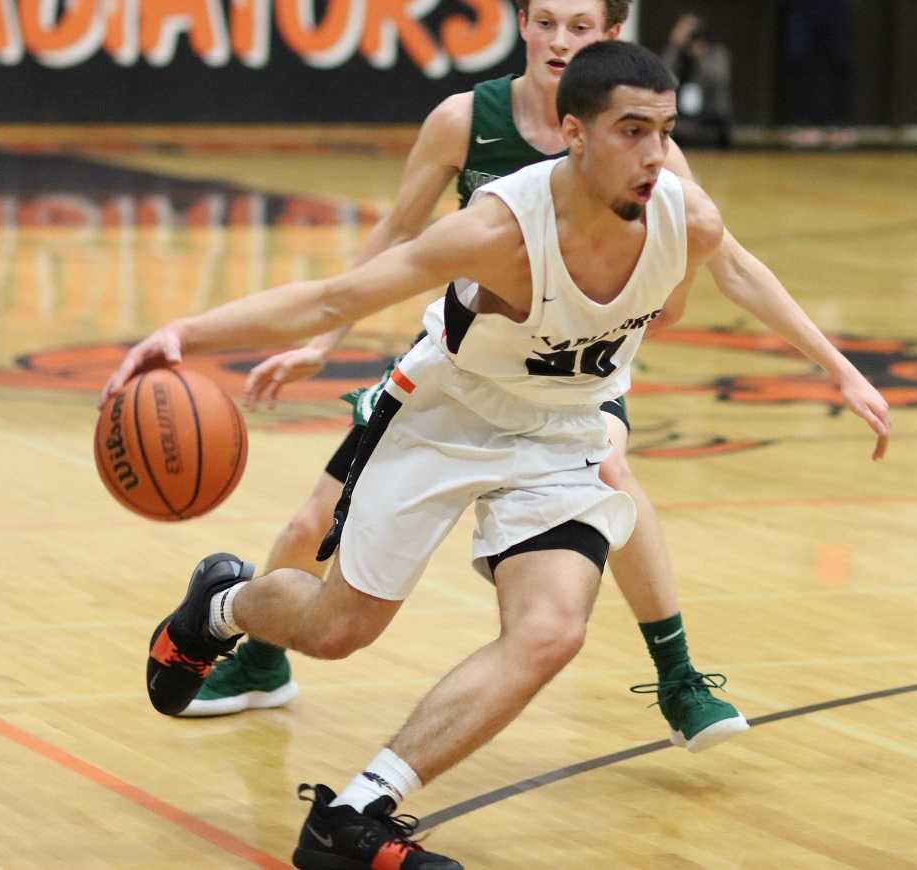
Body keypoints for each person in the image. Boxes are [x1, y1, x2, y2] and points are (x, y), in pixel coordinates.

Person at [103, 41, 890, 868]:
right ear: (572, 132)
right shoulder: (498, 232)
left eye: (663, 130)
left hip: (560, 435)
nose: (655, 154)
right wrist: (183, 334)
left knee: (551, 630)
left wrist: (837, 370)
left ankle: (357, 814)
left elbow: (742, 272)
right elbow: (334, 297)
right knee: (337, 631)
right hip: (443, 419)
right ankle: (221, 608)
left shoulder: (682, 213)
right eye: (631, 131)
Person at [178, 0, 745, 756]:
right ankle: (259, 653)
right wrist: (326, 338)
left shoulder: (639, 138)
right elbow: (396, 234)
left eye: (578, 27)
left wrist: (831, 365)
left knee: (609, 468)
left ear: (611, 37)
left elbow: (719, 253)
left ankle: (676, 675)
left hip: (576, 366)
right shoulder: (466, 119)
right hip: (468, 358)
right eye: (543, 22)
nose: (558, 41)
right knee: (311, 524)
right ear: (520, 23)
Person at [780, 0, 858, 148]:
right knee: (799, 58)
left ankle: (839, 124)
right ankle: (804, 123)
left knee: (839, 59)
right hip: (802, 6)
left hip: (837, 5)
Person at [661, 12, 733, 148]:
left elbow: (718, 79)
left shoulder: (716, 51)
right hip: (681, 114)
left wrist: (701, 57)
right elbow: (663, 74)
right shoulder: (678, 53)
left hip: (711, 116)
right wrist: (674, 46)